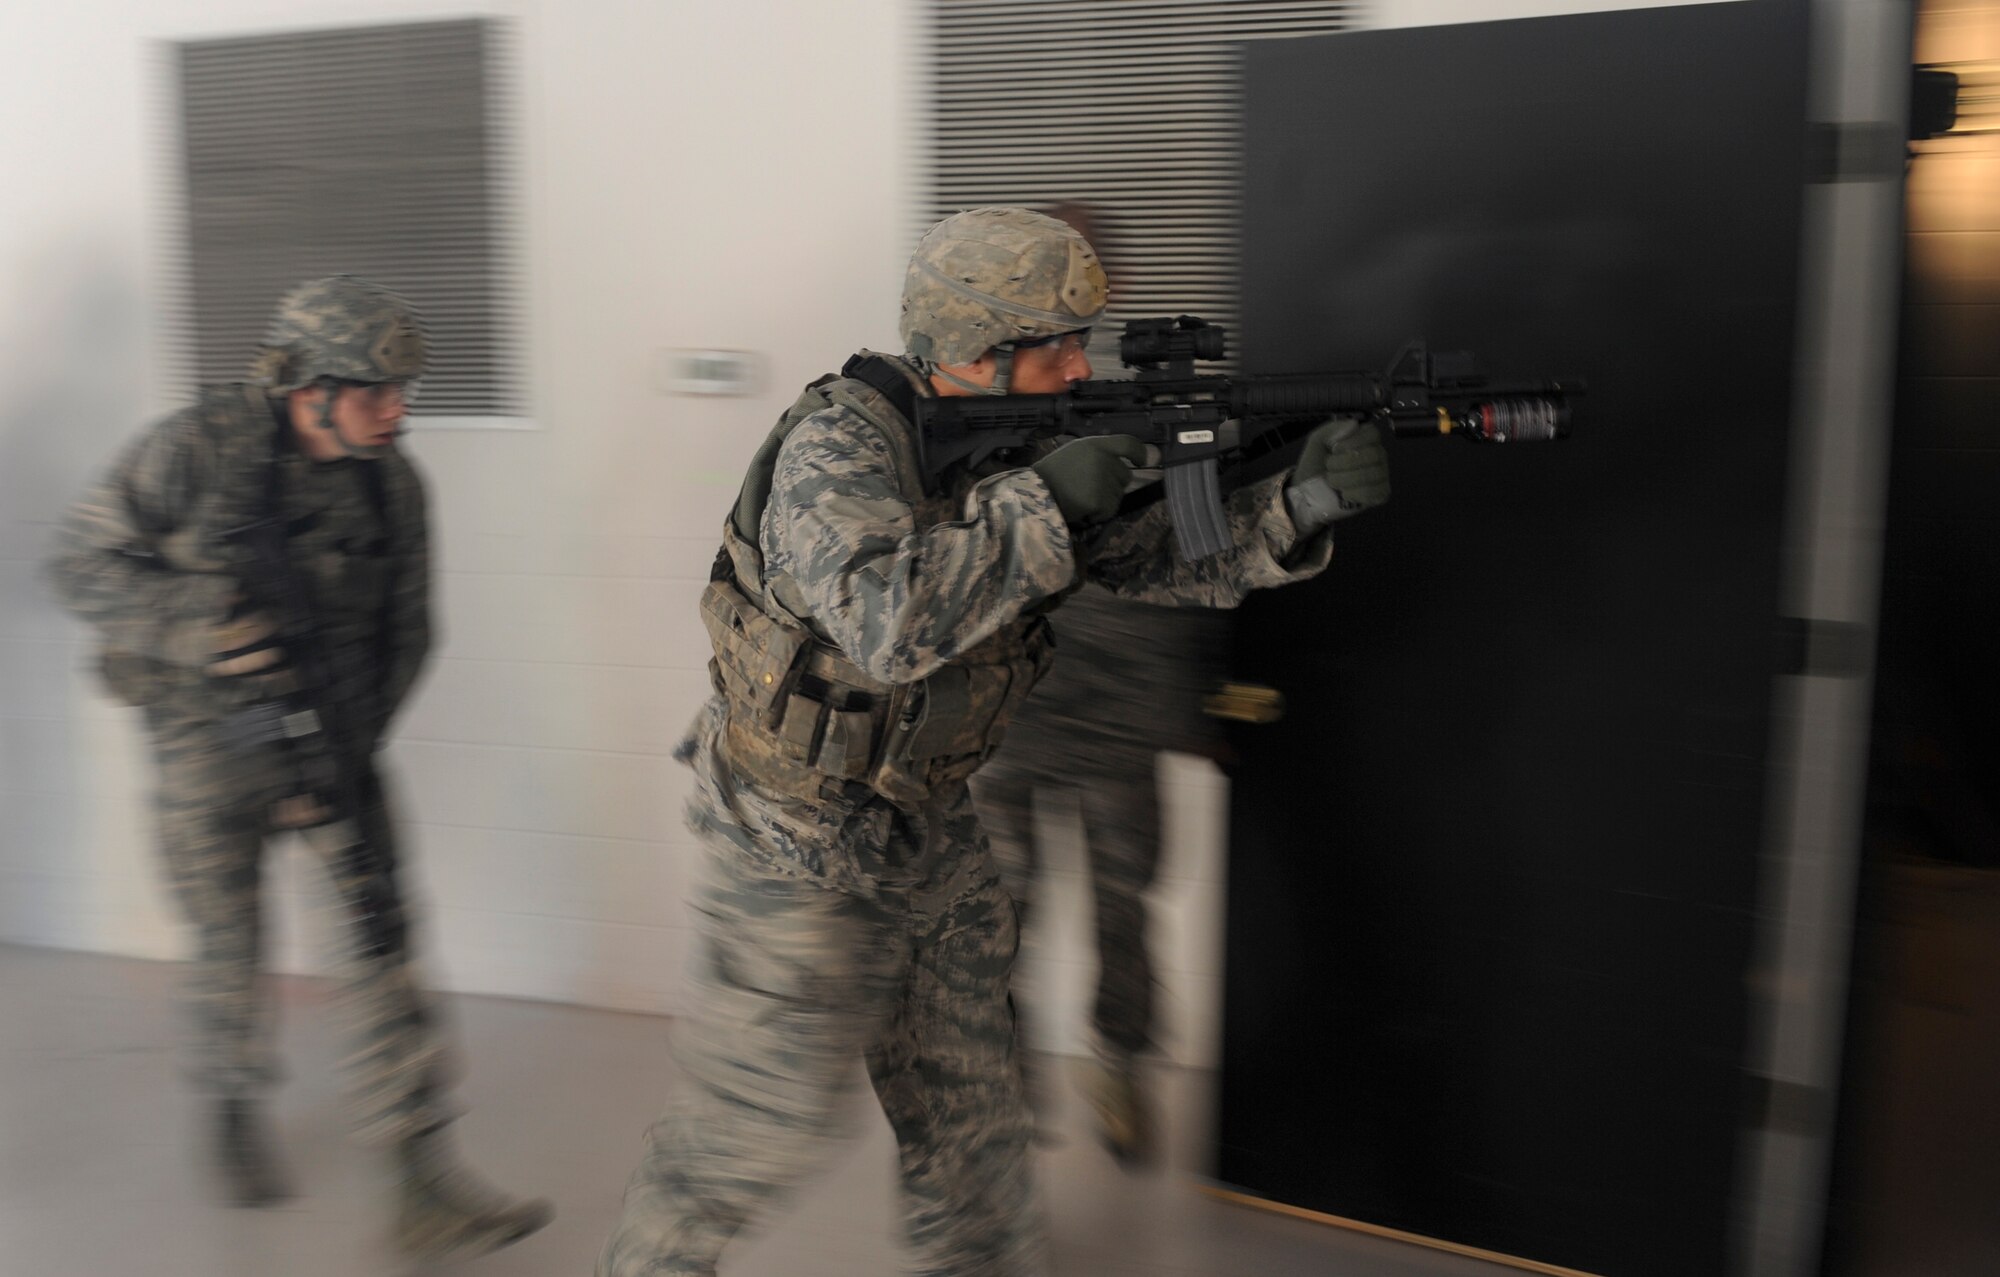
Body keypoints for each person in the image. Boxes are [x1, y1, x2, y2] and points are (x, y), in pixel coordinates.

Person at [597, 207, 1389, 1277]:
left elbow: (1151, 557)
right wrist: (1044, 502)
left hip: (930, 823)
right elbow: (884, 621)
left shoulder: (1020, 437)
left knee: (974, 1118)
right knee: (760, 1126)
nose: (1078, 364)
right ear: (973, 345)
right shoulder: (837, 445)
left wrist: (1292, 506)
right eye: (1052, 344)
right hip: (795, 840)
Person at [43, 276, 552, 1262]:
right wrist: (198, 626)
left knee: (382, 946)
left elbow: (412, 628)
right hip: (203, 748)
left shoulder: (392, 481)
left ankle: (420, 1177)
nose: (397, 410)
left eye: (403, 389)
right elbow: (78, 561)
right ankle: (231, 1097)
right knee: (227, 940)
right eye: (373, 390)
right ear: (301, 385)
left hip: (332, 740)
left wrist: (350, 744)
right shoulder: (190, 451)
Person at [971, 584, 1225, 1165]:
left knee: (1121, 908)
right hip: (1011, 703)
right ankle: (1002, 1090)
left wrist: (1202, 699)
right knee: (996, 921)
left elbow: (1204, 566)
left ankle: (1119, 1064)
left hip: (1120, 707)